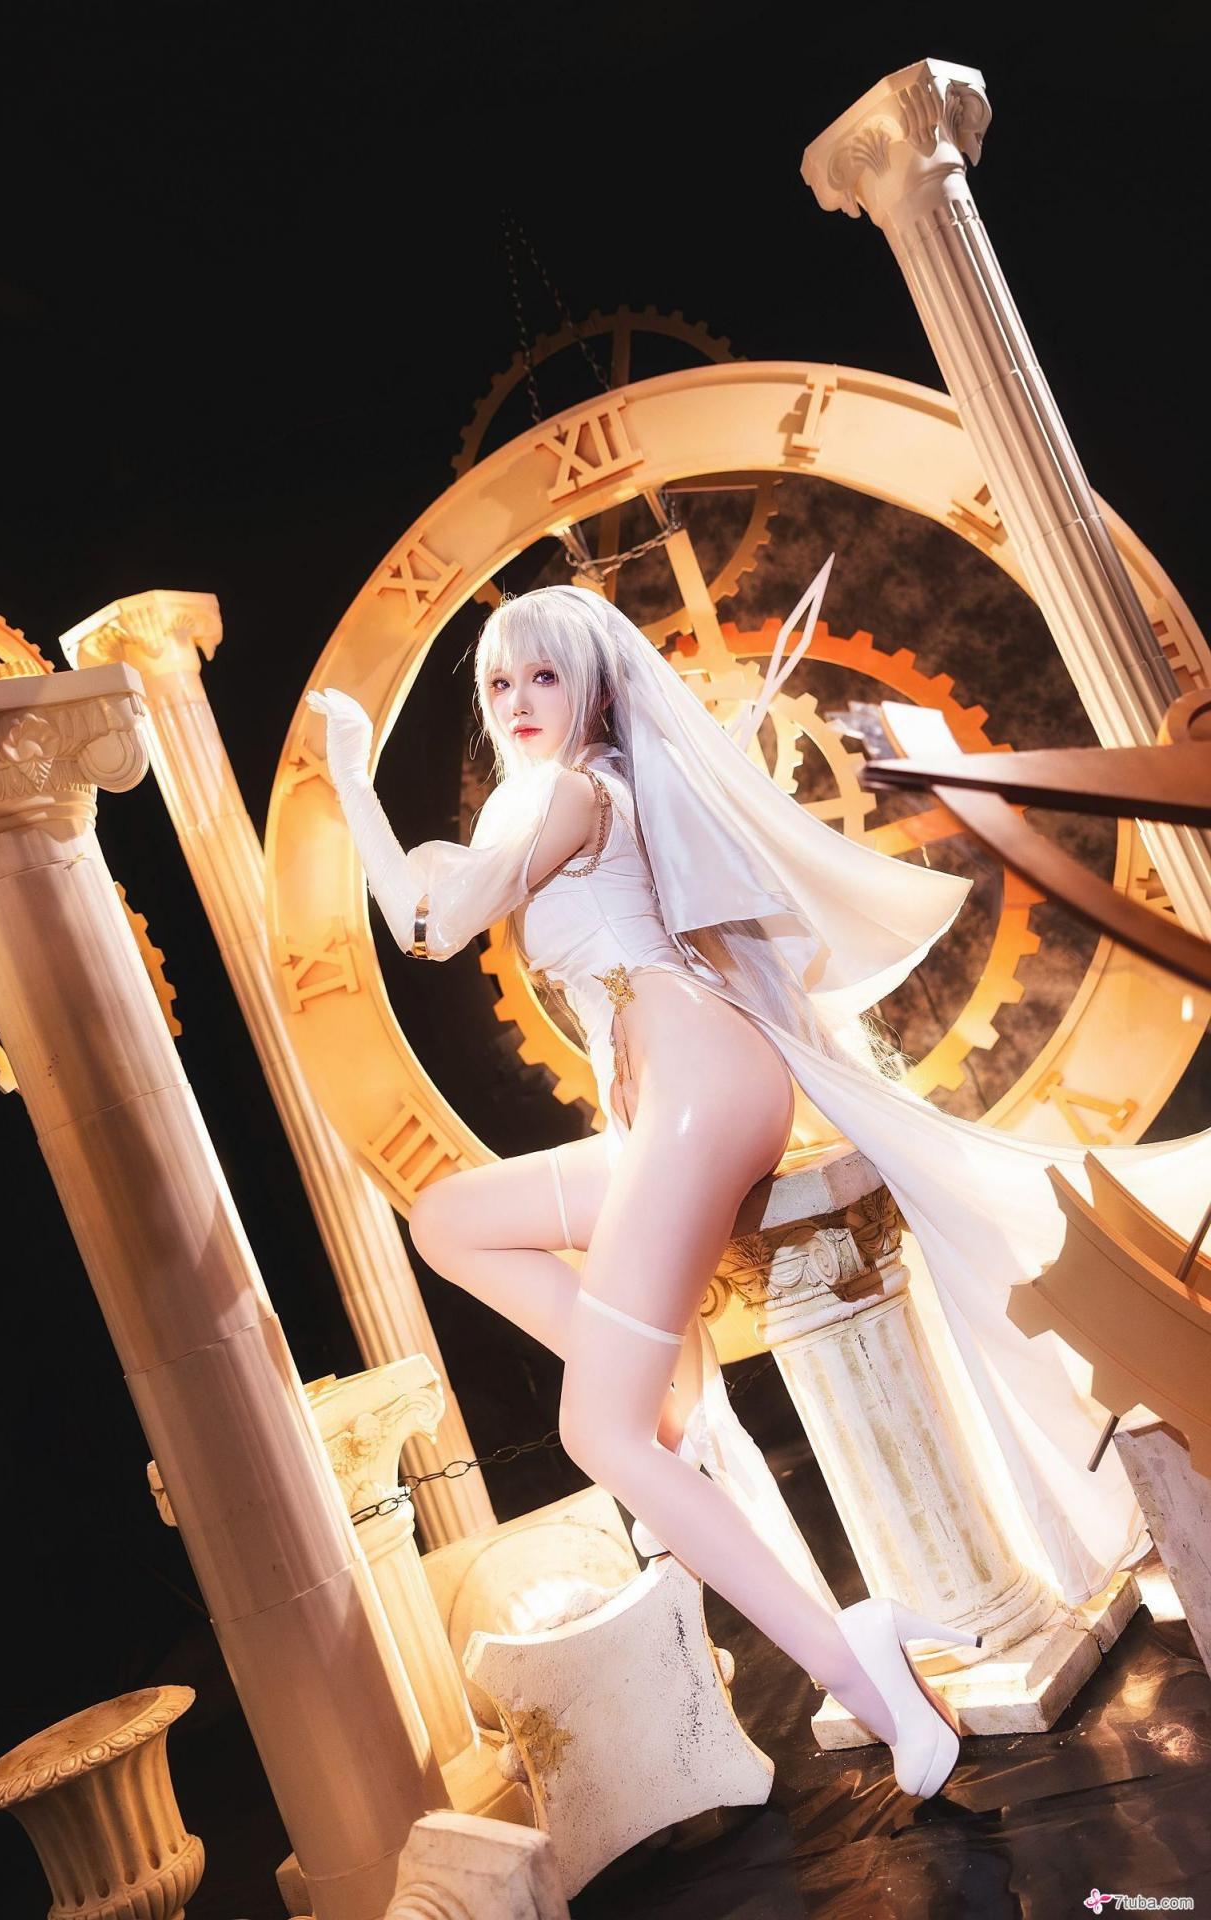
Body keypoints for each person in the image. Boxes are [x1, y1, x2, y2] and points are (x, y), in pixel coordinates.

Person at [306, 581, 1208, 1802]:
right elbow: (443, 909)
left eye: (543, 675)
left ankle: (864, 1669)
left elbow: (433, 921)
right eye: (498, 682)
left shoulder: (576, 790)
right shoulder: (554, 797)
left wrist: (351, 781)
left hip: (697, 1086)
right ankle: (667, 1404)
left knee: (592, 1433)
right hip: (676, 1097)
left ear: (594, 686)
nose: (517, 701)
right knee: (449, 1220)